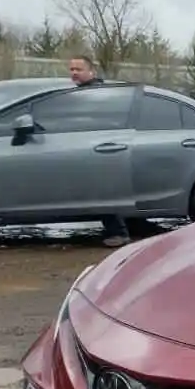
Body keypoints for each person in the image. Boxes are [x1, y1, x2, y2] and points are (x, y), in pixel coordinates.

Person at [68, 56, 128, 246]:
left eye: (79, 69)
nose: (74, 73)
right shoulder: (80, 93)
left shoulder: (97, 93)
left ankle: (119, 232)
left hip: (103, 148)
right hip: (92, 148)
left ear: (92, 72)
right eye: (71, 69)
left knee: (103, 190)